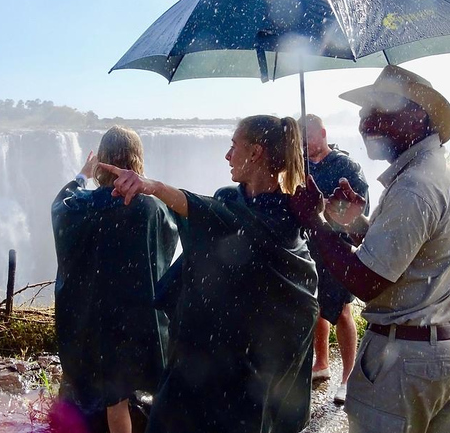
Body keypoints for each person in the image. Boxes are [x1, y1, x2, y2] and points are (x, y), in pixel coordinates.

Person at [290, 65, 450, 433]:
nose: (364, 124)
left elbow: (365, 282)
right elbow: (414, 254)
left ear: (412, 115)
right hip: (449, 349)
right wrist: (352, 223)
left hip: (408, 363)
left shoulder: (414, 187)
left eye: (375, 112)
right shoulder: (443, 166)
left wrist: (312, 221)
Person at [99, 115, 319, 433]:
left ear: (256, 153)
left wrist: (153, 187)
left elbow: (215, 216)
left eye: (234, 147)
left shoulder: (284, 216)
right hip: (203, 348)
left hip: (248, 364)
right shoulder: (230, 199)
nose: (228, 156)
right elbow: (215, 220)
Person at [51, 126, 179, 433]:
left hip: (102, 321)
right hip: (144, 316)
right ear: (138, 160)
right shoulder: (155, 206)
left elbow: (60, 209)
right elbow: (167, 242)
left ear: (103, 162)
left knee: (115, 399)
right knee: (156, 390)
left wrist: (81, 176)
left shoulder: (86, 205)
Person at [300, 113, 369, 405]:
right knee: (314, 305)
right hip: (308, 245)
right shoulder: (299, 167)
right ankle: (322, 363)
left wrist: (325, 207)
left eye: (308, 136)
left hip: (339, 247)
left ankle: (348, 378)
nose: (304, 143)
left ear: (323, 133)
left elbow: (359, 211)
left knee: (341, 310)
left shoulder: (346, 166)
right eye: (300, 139)